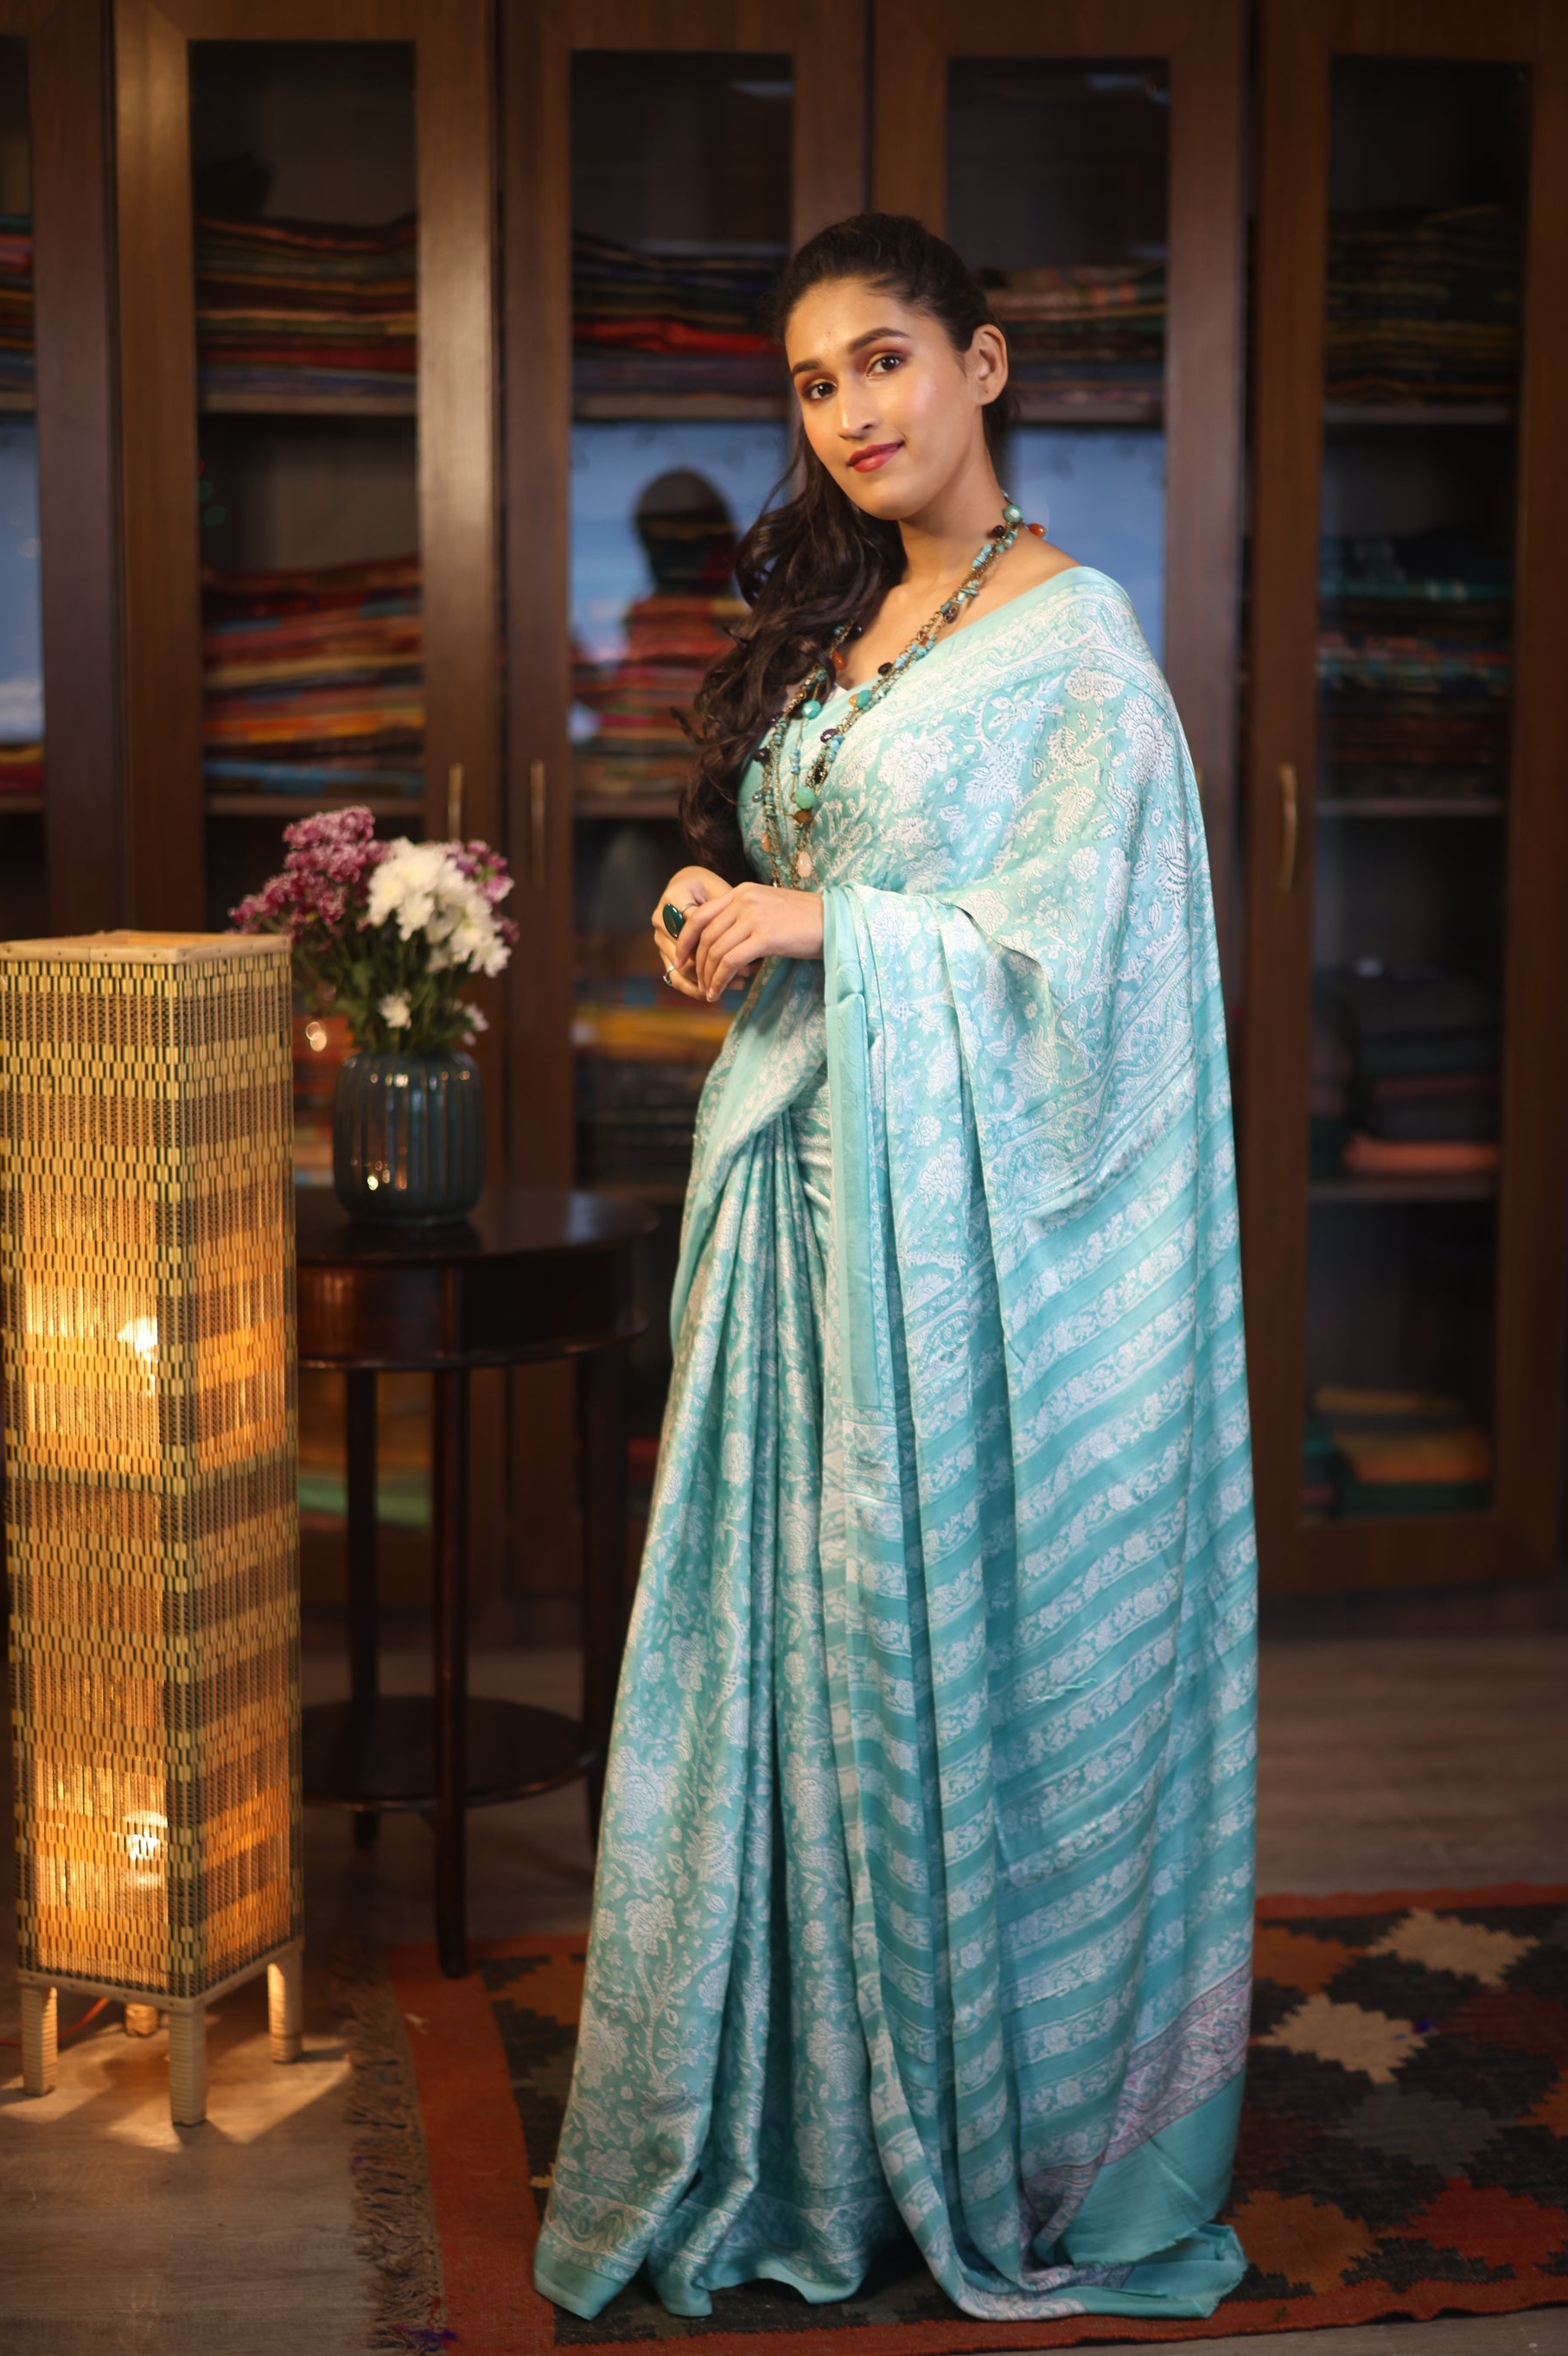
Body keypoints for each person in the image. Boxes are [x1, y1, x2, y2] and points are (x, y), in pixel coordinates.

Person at [533, 211, 1258, 2327]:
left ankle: (979, 2117)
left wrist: (831, 931)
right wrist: (720, 895)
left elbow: (1092, 972)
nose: (850, 410)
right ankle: (792, 2123)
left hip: (956, 1272)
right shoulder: (841, 617)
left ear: (983, 363)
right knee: (771, 1676)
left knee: (908, 1660)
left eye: (883, 360)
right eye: (812, 381)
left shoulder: (1079, 646)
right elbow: (811, 871)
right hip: (794, 1230)